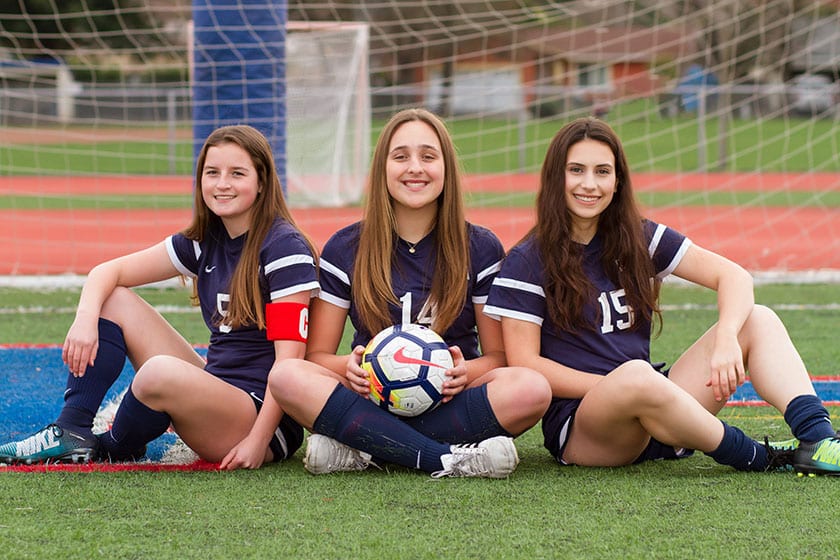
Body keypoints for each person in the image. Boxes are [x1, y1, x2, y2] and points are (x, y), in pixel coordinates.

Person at [483, 116, 840, 476]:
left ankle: (819, 439)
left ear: (618, 180)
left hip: (658, 410)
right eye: (576, 170)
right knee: (636, 375)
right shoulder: (528, 259)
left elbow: (733, 275)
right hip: (587, 428)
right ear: (554, 177)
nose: (589, 184)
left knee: (757, 318)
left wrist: (728, 337)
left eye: (602, 172)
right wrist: (624, 385)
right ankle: (757, 456)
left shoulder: (637, 237)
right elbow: (525, 363)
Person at [0, 125, 319, 470]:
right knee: (113, 299)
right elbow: (107, 272)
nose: (222, 184)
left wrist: (258, 442)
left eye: (237, 173)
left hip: (261, 420)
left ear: (262, 182)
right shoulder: (205, 239)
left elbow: (288, 366)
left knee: (158, 372)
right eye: (212, 173)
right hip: (217, 389)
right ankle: (72, 428)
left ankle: (115, 447)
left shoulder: (284, 248)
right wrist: (84, 319)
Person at [267, 108, 551, 478]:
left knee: (531, 388)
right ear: (382, 169)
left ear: (446, 168)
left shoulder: (480, 247)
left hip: (451, 400)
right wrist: (348, 368)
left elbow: (498, 357)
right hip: (369, 397)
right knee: (286, 375)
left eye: (428, 156)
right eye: (400, 156)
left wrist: (465, 372)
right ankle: (447, 459)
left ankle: (365, 448)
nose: (414, 167)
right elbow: (317, 355)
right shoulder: (345, 247)